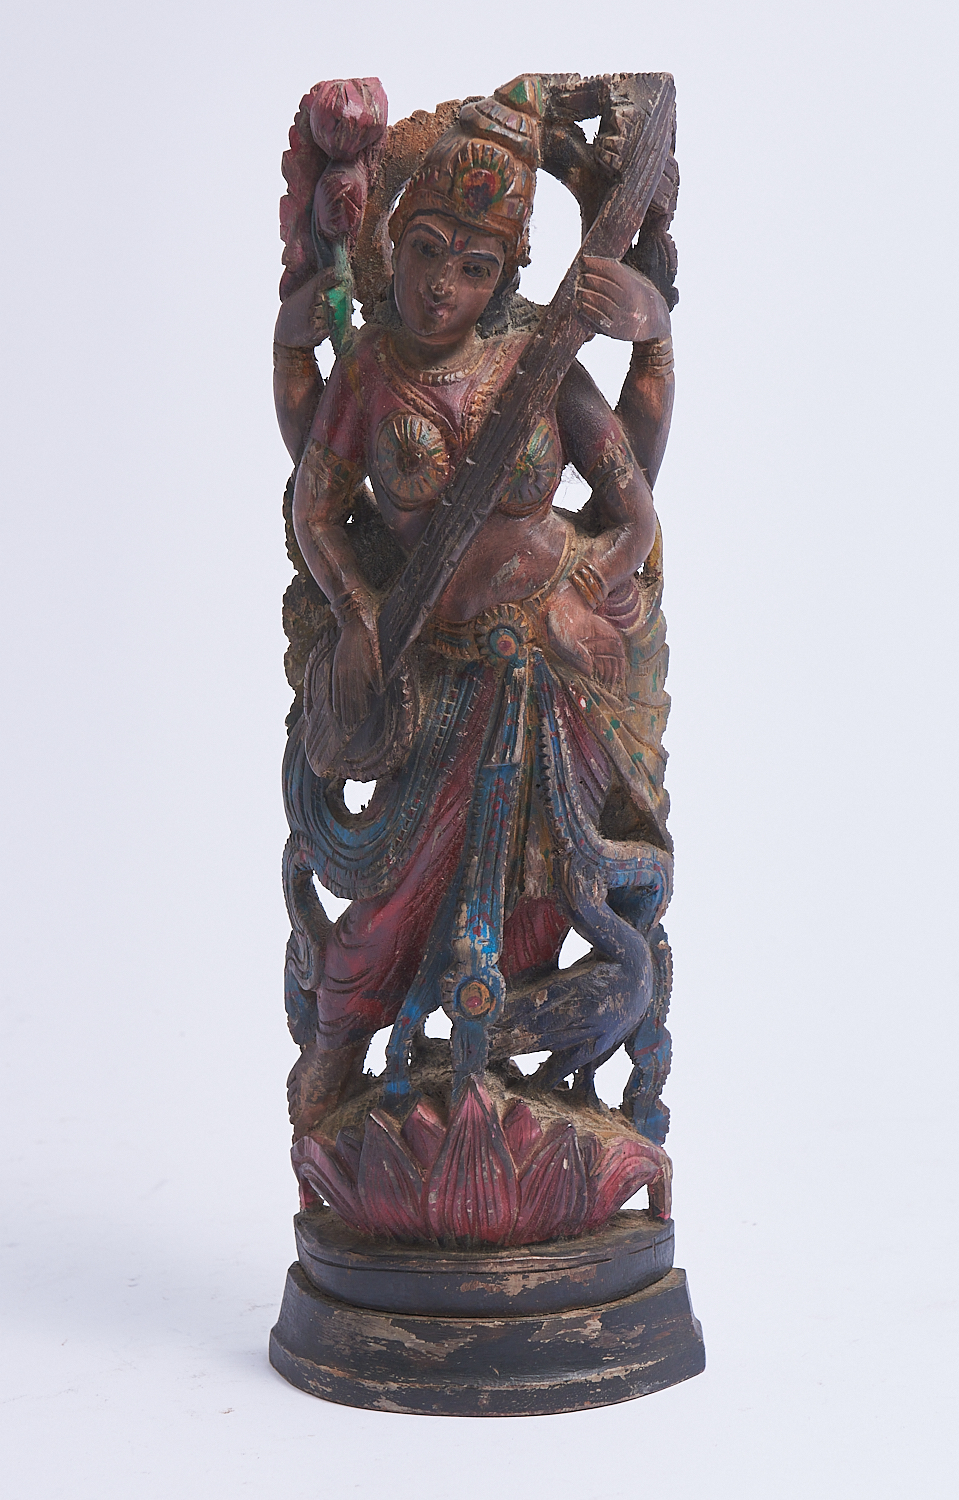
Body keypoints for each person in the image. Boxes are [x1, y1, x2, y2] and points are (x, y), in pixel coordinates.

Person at [274, 83, 677, 1142]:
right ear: (394, 240)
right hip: (436, 670)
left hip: (552, 671)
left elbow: (630, 495)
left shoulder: (535, 361)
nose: (440, 286)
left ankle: (499, 1072)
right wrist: (356, 611)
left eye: (474, 266)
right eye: (424, 252)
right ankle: (340, 1047)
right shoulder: (371, 370)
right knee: (399, 888)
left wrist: (610, 568)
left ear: (506, 277)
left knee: (549, 891)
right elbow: (315, 507)